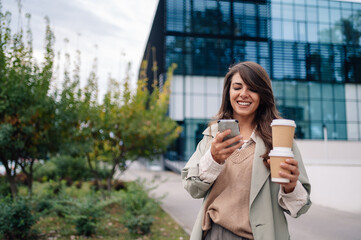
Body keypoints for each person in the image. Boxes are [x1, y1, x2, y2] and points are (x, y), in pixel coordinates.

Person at [181, 61, 311, 240]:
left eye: (252, 89)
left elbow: (300, 207)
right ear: (228, 93)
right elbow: (192, 188)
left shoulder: (279, 139)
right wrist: (213, 158)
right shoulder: (213, 136)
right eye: (237, 87)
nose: (243, 94)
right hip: (214, 233)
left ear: (262, 95)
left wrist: (290, 187)